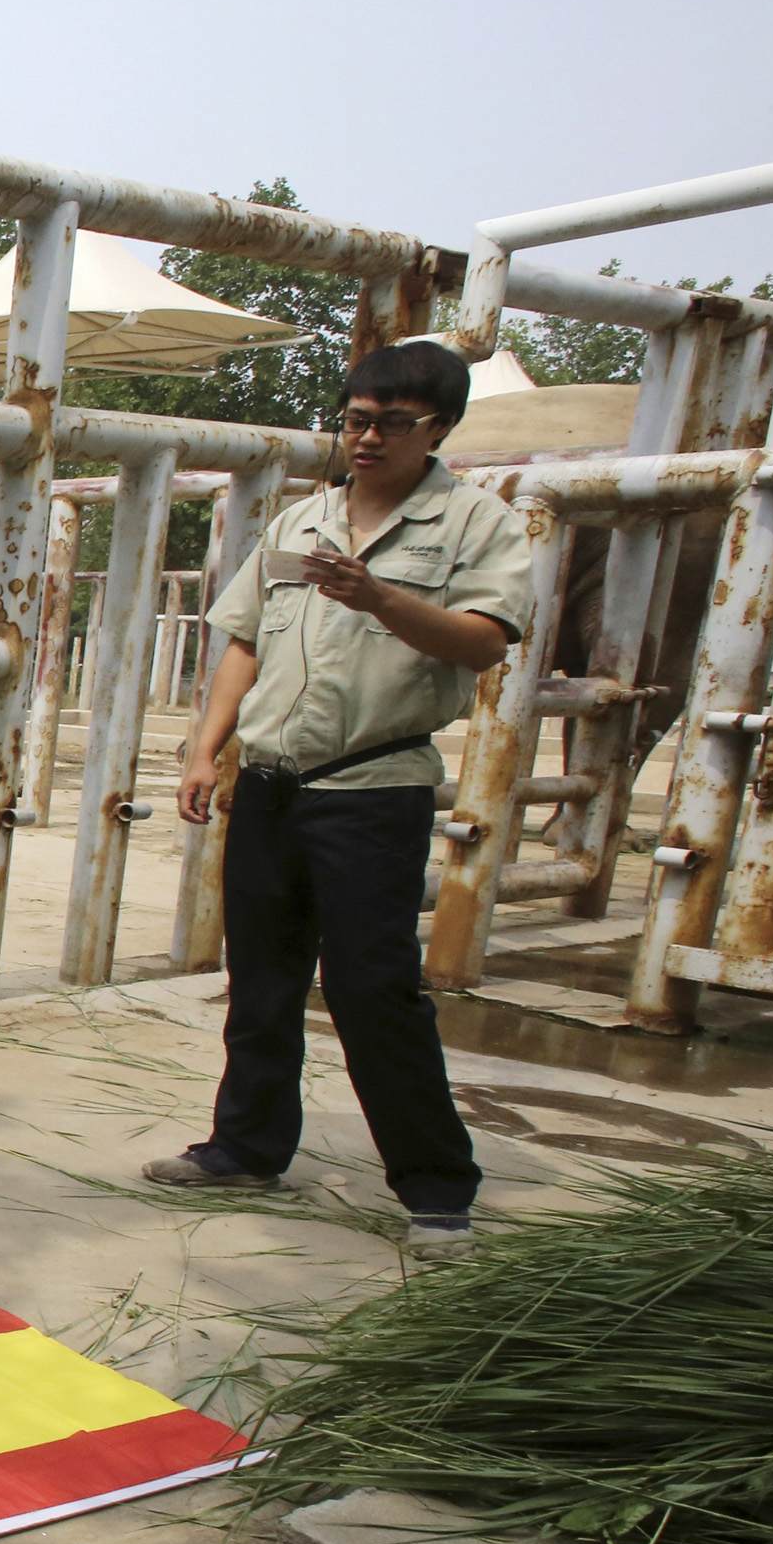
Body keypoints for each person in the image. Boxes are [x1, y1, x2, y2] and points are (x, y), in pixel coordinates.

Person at [149, 339, 531, 1257]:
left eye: (392, 424)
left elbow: (483, 645)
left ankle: (437, 1186)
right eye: (356, 418)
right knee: (262, 981)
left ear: (439, 428)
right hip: (274, 784)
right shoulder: (301, 521)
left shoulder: (476, 524)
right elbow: (243, 638)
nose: (366, 438)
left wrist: (378, 597)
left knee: (373, 990)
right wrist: (208, 748)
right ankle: (245, 1146)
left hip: (373, 786)